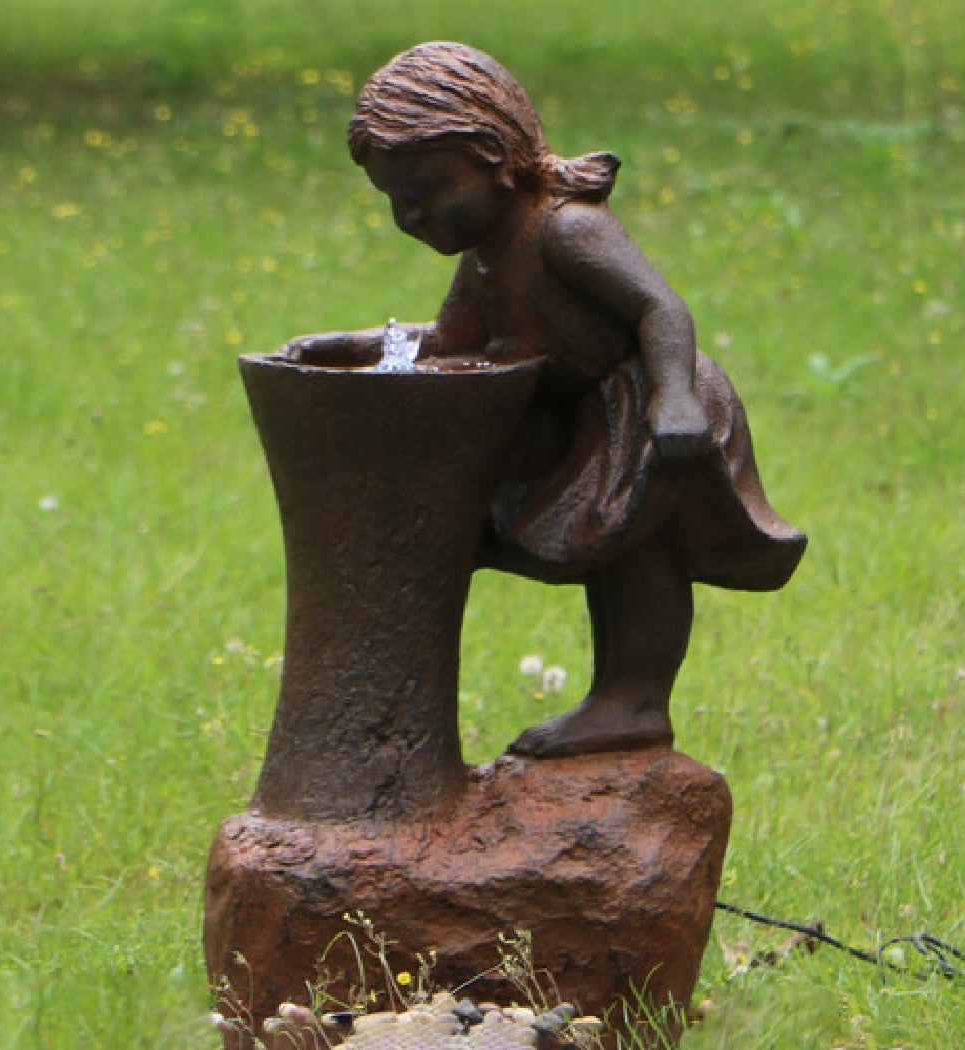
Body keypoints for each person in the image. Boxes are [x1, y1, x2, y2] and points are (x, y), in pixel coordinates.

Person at [286, 42, 806, 758]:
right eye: (395, 202)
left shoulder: (566, 229)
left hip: (642, 404)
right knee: (582, 543)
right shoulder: (486, 254)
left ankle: (633, 702)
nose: (411, 218)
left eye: (426, 193)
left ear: (494, 156)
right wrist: (351, 346)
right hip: (573, 417)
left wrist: (676, 400)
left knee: (637, 553)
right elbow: (446, 340)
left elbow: (661, 309)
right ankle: (401, 712)